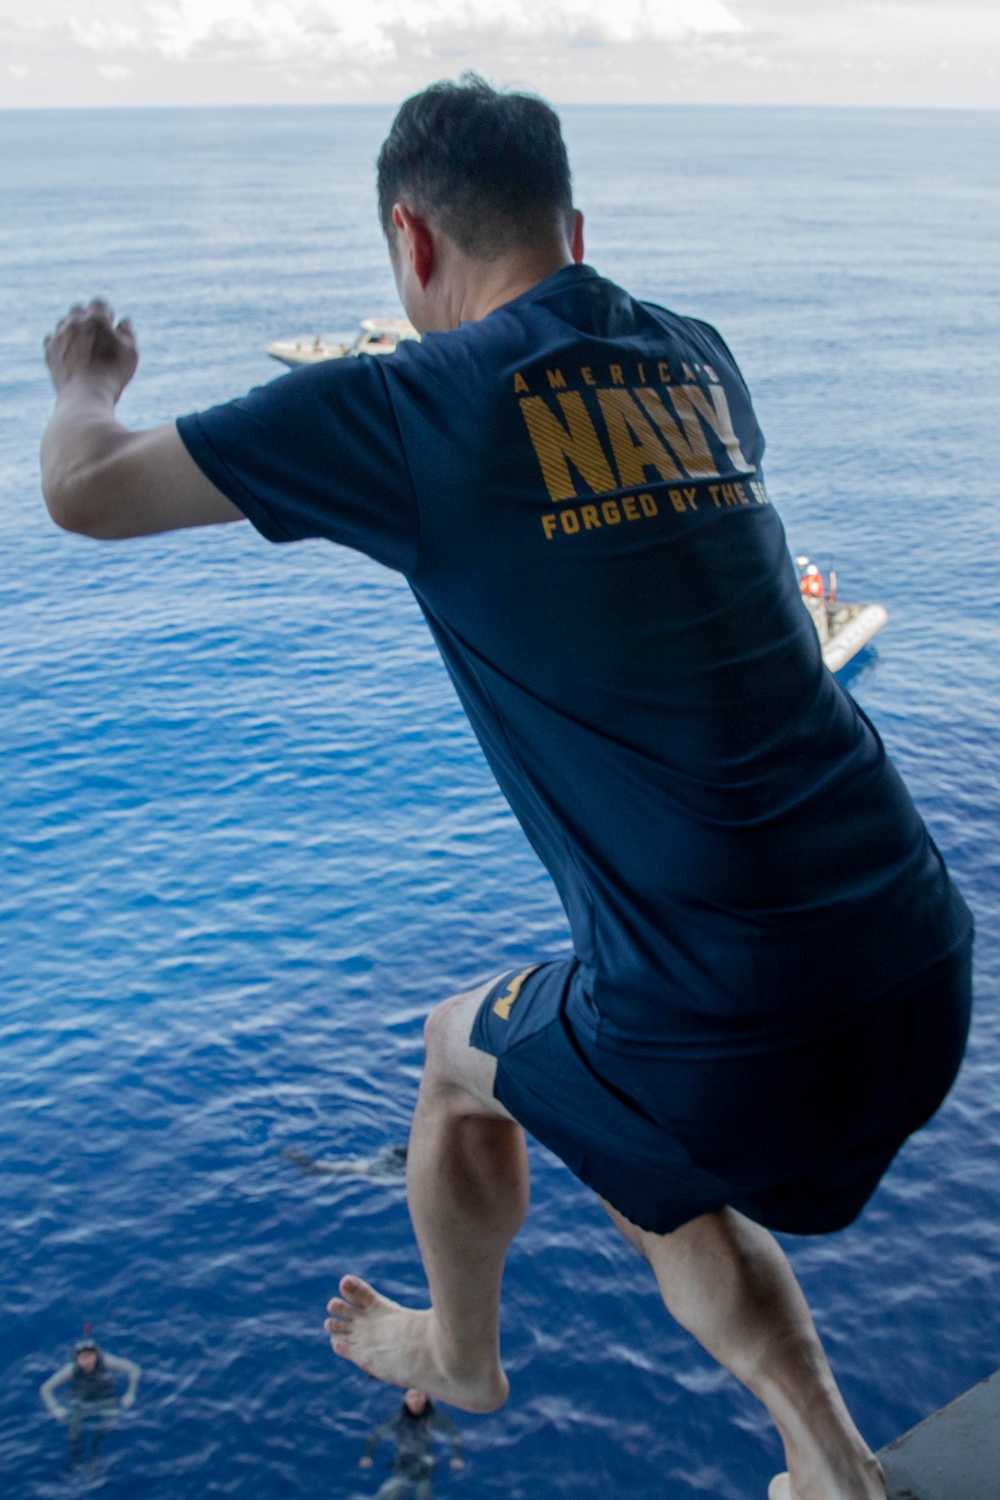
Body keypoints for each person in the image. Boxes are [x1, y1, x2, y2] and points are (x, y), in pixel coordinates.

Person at [38, 75, 973, 1500]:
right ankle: (834, 1472)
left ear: (412, 244)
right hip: (923, 973)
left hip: (737, 1041)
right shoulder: (700, 359)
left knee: (451, 1061)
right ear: (575, 227)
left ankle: (459, 1354)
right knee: (635, 1158)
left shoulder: (415, 404)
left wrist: (83, 385)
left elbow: (86, 492)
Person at [40, 1336, 141, 1473]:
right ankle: (76, 1461)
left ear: (96, 1355)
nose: (87, 1361)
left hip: (105, 1397)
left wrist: (131, 1393)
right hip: (80, 1401)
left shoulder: (106, 1361)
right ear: (77, 1359)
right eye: (83, 1358)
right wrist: (55, 1408)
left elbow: (134, 1369)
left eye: (90, 1356)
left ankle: (94, 1450)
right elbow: (46, 1388)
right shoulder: (70, 1370)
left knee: (110, 1423)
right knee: (73, 1435)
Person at [359, 1388, 463, 1500]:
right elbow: (376, 1435)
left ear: (425, 1398)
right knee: (390, 1494)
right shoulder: (397, 1417)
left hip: (424, 1464)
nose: (415, 1400)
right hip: (403, 1462)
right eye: (412, 1396)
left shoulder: (434, 1417)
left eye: (419, 1396)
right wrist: (367, 1456)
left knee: (422, 1495)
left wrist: (456, 1457)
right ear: (405, 1400)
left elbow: (453, 1434)